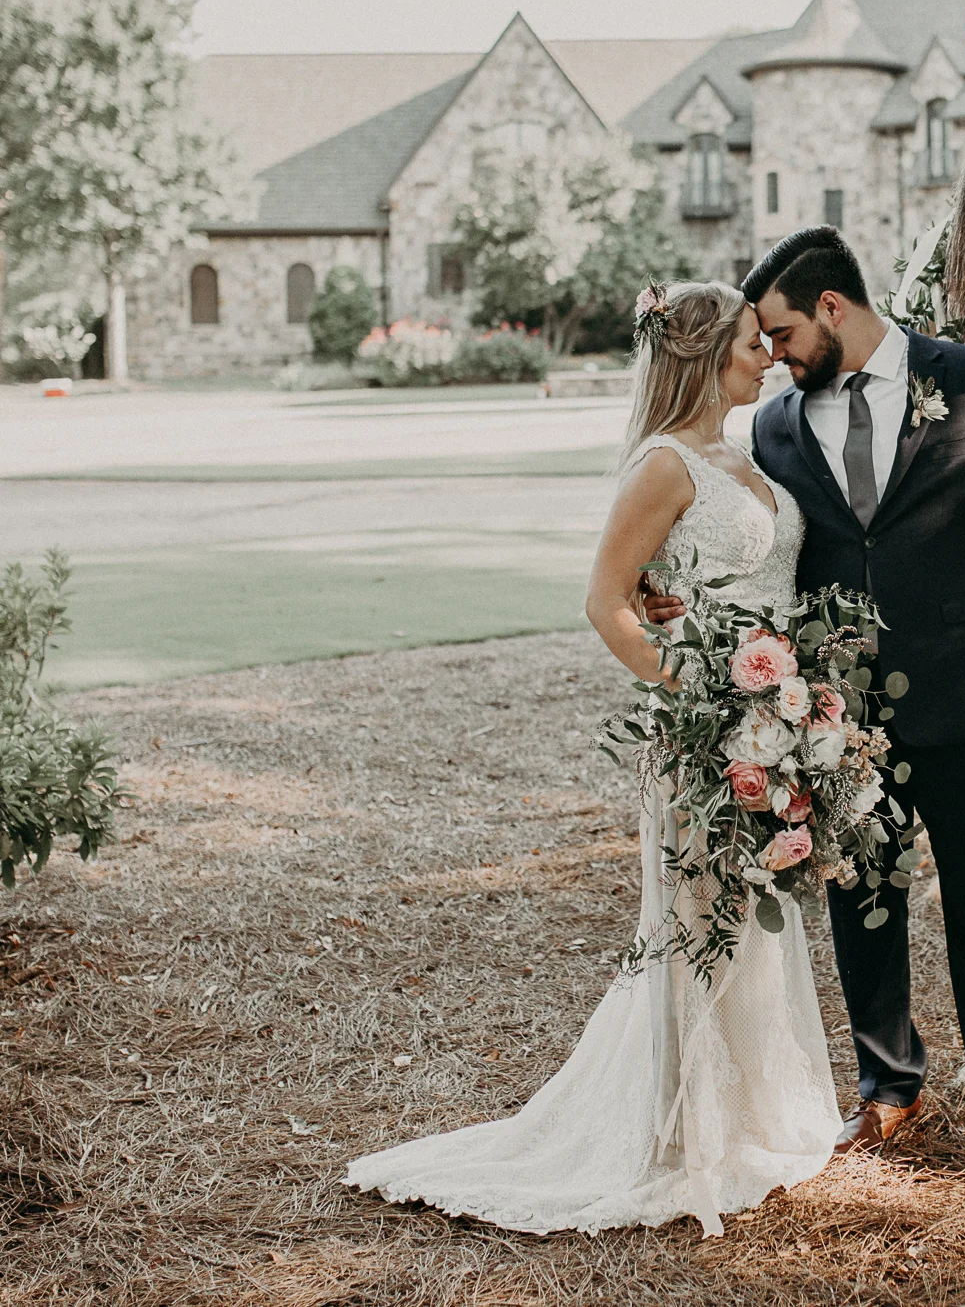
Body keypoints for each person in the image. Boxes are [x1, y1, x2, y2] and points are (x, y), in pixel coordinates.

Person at [645, 227, 965, 1201]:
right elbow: (758, 555)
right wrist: (670, 593)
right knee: (862, 909)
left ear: (833, 308)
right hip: (839, 720)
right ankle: (888, 1084)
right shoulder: (778, 428)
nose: (779, 355)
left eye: (786, 332)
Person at [346, 281, 839, 1238]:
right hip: (708, 727)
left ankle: (749, 1114)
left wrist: (789, 706)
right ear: (701, 354)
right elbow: (608, 601)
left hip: (775, 717)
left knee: (754, 911)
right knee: (701, 916)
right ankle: (678, 1130)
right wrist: (700, 693)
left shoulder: (737, 457)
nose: (768, 355)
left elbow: (724, 580)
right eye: (750, 342)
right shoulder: (663, 466)